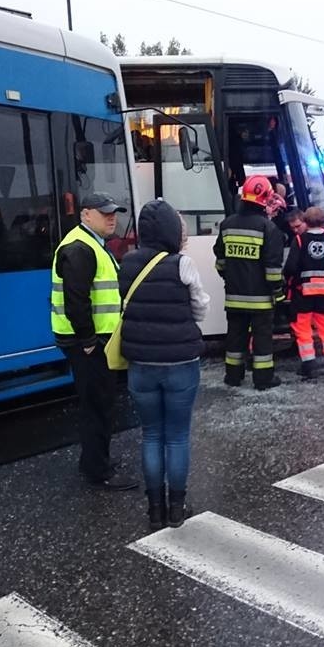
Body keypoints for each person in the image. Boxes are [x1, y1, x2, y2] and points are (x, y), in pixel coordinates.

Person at [118, 200, 209, 529]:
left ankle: (154, 509)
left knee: (151, 435)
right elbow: (200, 307)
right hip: (180, 362)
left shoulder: (126, 262)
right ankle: (176, 509)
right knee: (177, 437)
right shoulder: (182, 264)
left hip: (140, 363)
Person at [51, 192, 138, 490]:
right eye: (105, 213)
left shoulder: (90, 244)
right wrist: (88, 340)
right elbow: (77, 299)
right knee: (98, 405)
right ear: (86, 215)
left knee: (99, 402)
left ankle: (94, 460)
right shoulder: (80, 248)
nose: (112, 217)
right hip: (88, 344)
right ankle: (99, 471)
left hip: (93, 340)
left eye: (113, 212)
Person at [214, 174, 284, 390]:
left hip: (234, 297)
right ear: (264, 198)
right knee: (262, 339)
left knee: (235, 337)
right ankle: (263, 379)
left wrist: (231, 279)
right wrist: (279, 294)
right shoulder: (268, 228)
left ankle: (233, 376)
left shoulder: (227, 225)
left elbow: (220, 261)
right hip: (260, 301)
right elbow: (273, 270)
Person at [284, 206, 324, 379]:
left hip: (303, 294)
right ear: (323, 221)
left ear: (306, 222)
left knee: (302, 328)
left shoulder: (300, 241)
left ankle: (308, 365)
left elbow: (290, 268)